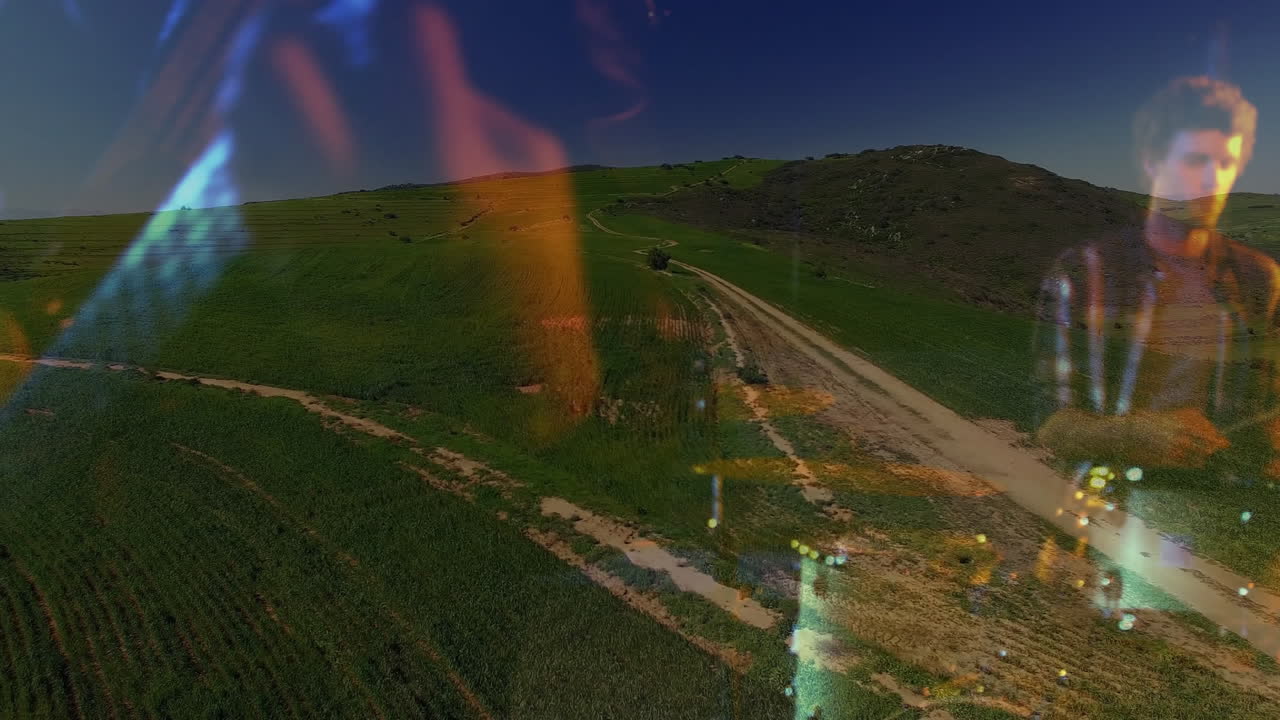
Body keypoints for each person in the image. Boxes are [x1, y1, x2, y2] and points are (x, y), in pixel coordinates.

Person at [1032, 76, 1280, 486]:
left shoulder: (1260, 278)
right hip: (1104, 498)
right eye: (1195, 160)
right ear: (1151, 161)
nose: (1212, 180)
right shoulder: (1086, 272)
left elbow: (1270, 402)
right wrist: (1131, 433)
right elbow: (1049, 424)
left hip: (1228, 498)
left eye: (1226, 163)